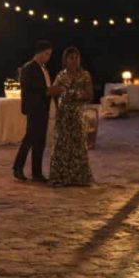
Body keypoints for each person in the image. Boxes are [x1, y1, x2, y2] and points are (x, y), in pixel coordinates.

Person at [13, 40, 62, 182]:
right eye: (47, 54)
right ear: (39, 53)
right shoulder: (29, 68)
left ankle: (37, 172)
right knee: (30, 138)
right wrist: (47, 91)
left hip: (43, 107)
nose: (48, 57)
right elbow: (28, 89)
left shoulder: (43, 68)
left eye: (50, 54)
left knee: (40, 140)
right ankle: (17, 167)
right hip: (34, 108)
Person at [48, 47, 94, 187]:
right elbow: (52, 91)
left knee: (78, 143)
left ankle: (79, 178)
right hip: (63, 113)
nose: (74, 60)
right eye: (71, 58)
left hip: (76, 113)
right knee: (62, 144)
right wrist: (59, 91)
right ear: (65, 60)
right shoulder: (61, 75)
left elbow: (90, 94)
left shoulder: (85, 75)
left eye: (76, 58)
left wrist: (78, 94)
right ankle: (60, 177)